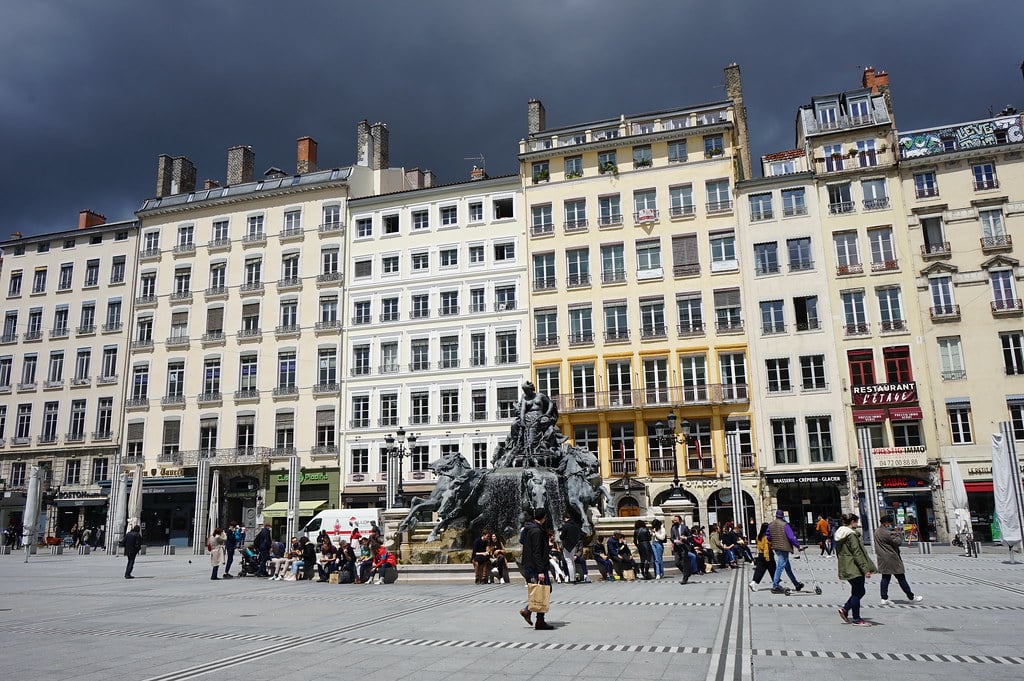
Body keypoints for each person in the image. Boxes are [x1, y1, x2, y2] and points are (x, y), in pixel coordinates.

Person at [835, 513, 876, 626]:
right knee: (858, 592)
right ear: (852, 522)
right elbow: (857, 553)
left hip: (846, 565)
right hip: (854, 566)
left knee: (858, 591)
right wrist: (865, 569)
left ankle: (845, 610)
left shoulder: (839, 534)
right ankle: (856, 618)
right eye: (856, 522)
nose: (857, 524)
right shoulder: (851, 535)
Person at [518, 508, 554, 630]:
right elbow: (537, 552)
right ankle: (535, 616)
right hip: (537, 566)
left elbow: (523, 542)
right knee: (543, 590)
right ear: (544, 518)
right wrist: (540, 571)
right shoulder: (537, 531)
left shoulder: (527, 529)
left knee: (541, 590)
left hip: (528, 564)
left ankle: (534, 615)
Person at [875, 516, 923, 605]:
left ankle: (884, 598)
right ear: (886, 523)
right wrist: (898, 533)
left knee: (885, 578)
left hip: (882, 558)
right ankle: (911, 597)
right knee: (901, 578)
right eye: (890, 523)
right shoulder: (887, 533)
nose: (891, 525)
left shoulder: (877, 531)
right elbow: (898, 542)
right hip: (892, 558)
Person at [767, 510, 804, 594]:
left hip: (776, 547)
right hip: (784, 548)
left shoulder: (771, 525)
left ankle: (796, 584)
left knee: (787, 567)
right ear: (782, 516)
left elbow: (768, 536)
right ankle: (775, 585)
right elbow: (791, 537)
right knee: (780, 566)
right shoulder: (785, 525)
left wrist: (774, 540)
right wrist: (798, 546)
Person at [748, 522, 776, 592]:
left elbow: (759, 546)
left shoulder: (758, 536)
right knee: (773, 569)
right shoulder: (766, 537)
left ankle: (753, 582)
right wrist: (767, 557)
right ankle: (776, 583)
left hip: (760, 554)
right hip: (767, 555)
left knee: (760, 570)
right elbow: (766, 548)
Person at [559, 514, 583, 583]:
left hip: (567, 545)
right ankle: (574, 578)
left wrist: (560, 534)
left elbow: (562, 537)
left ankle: (572, 579)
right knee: (572, 561)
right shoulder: (575, 525)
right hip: (574, 545)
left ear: (565, 518)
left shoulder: (565, 526)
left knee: (569, 561)